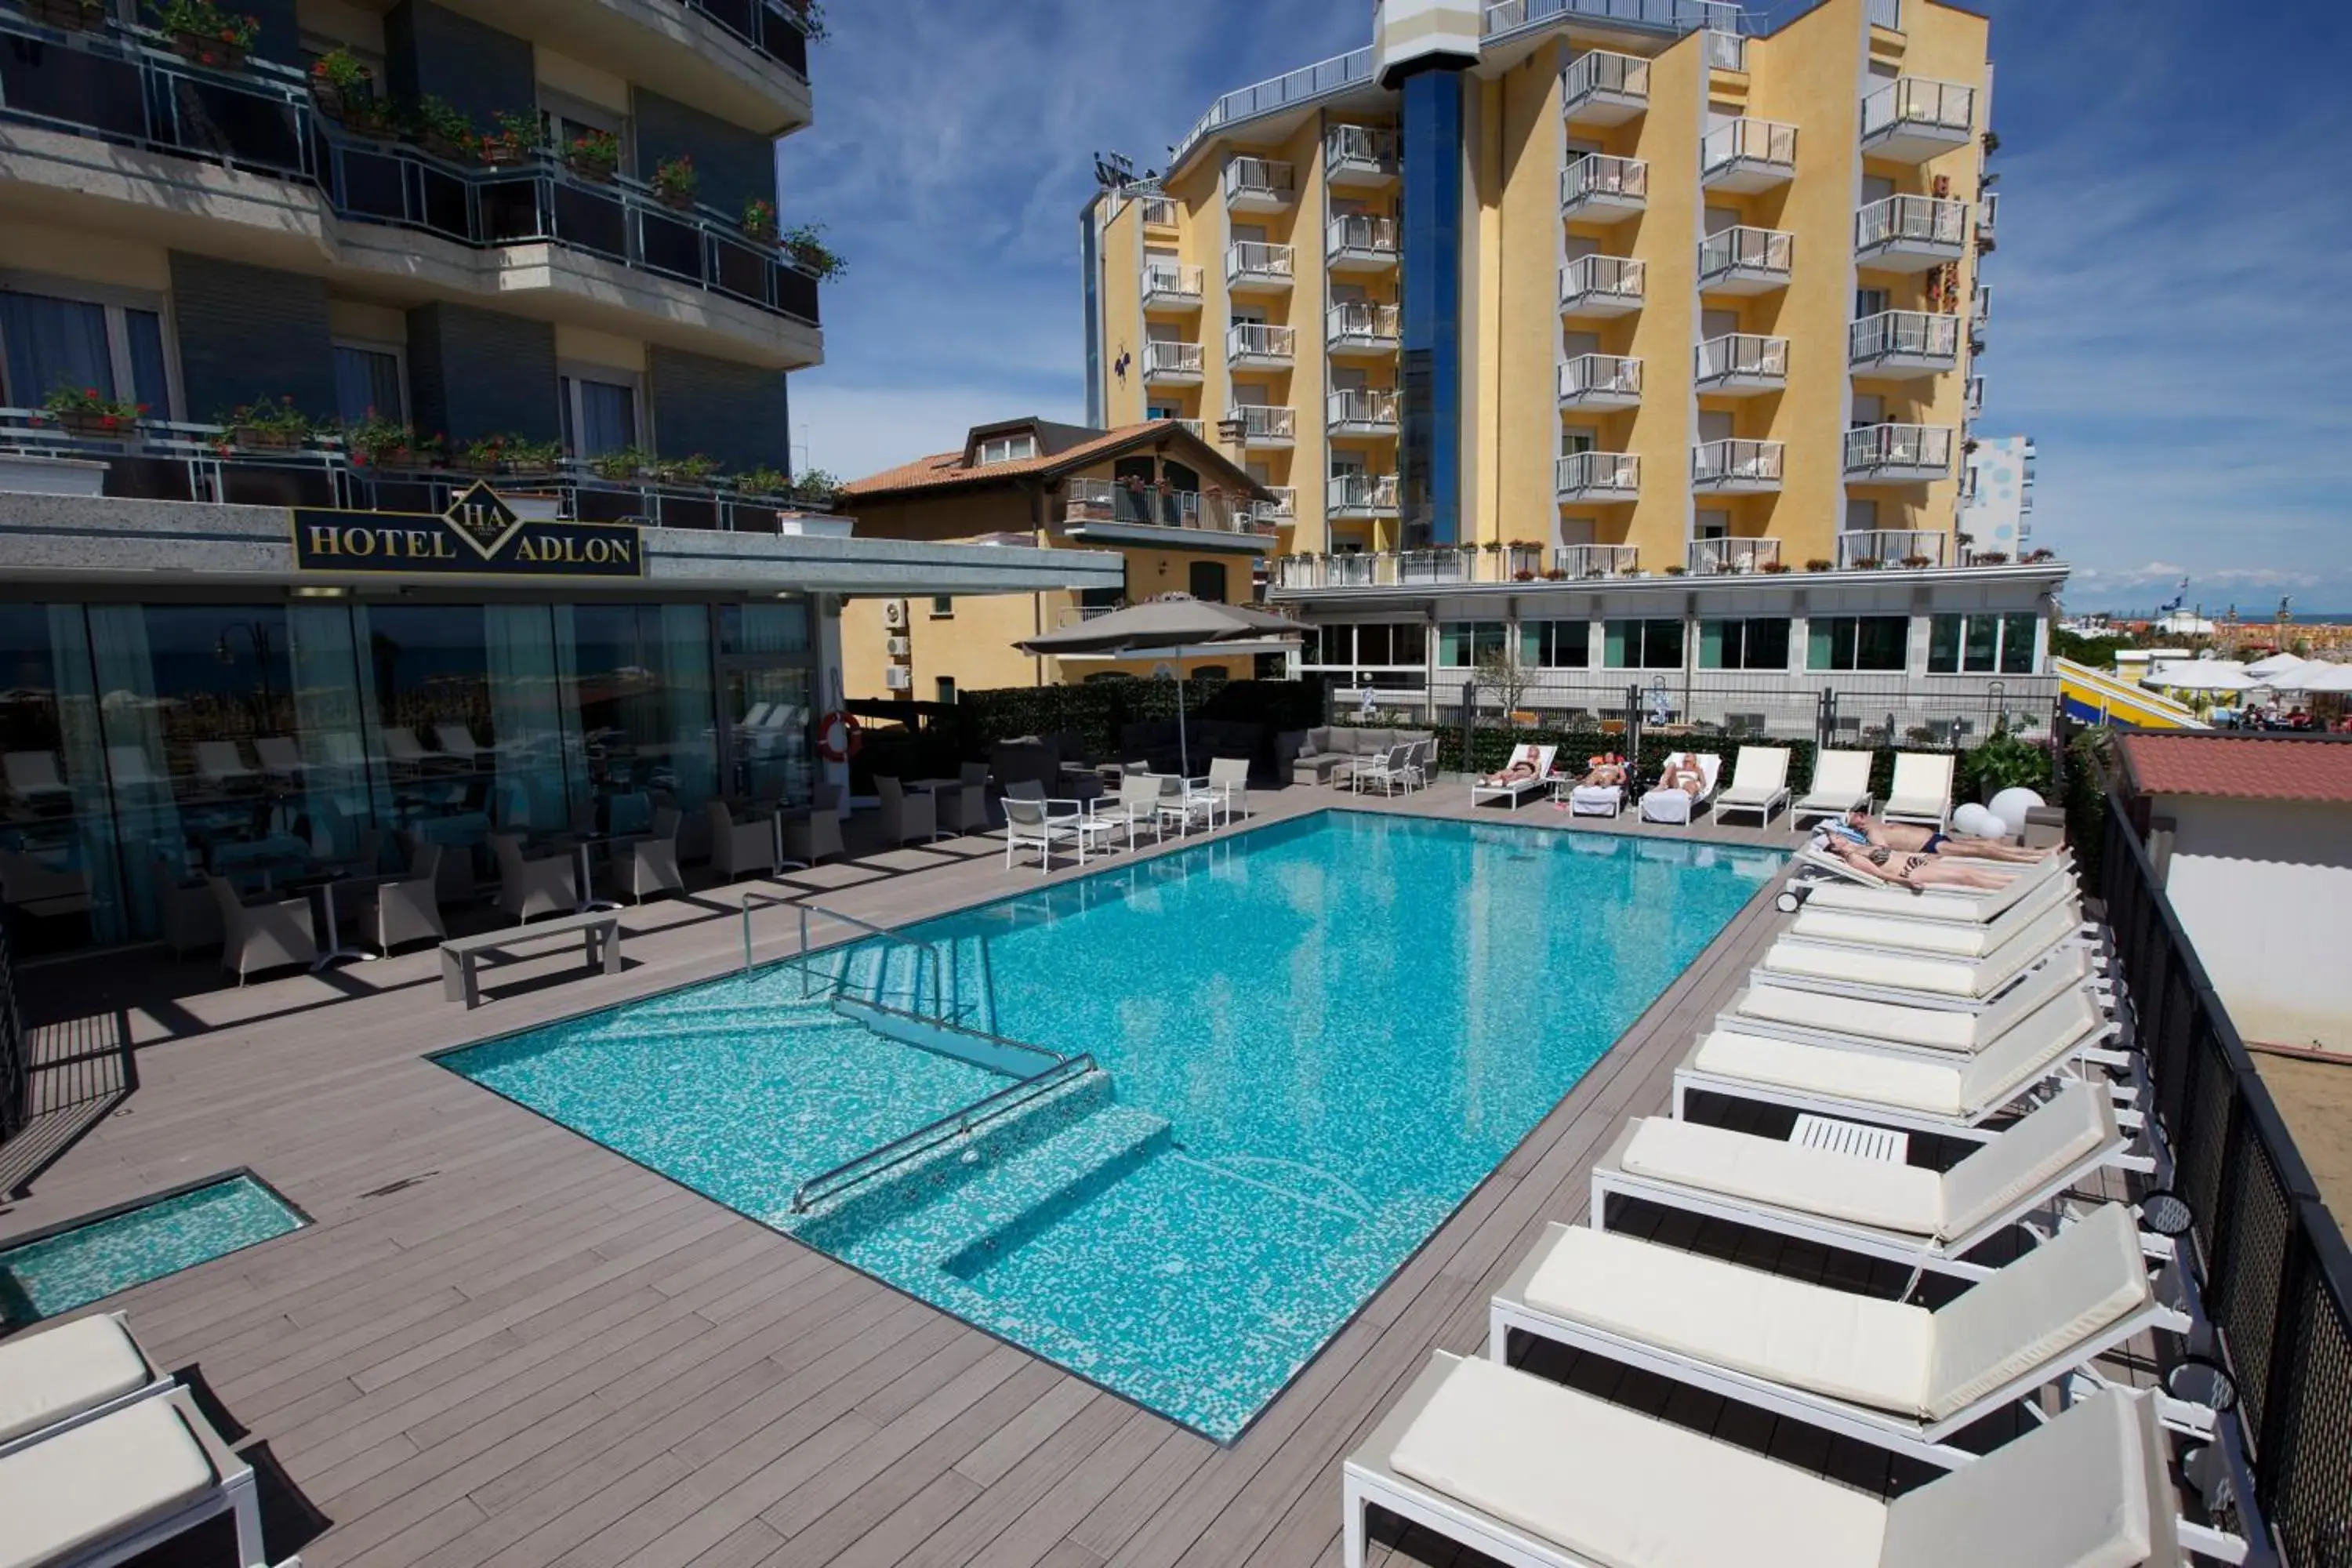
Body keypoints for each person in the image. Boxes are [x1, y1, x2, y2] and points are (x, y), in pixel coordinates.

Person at [1832, 808, 2051, 864]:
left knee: (1988, 842)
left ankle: (2036, 852)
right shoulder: (1873, 831)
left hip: (1936, 838)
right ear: (1856, 825)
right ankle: (2033, 859)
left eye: (1859, 812)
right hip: (1931, 848)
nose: (1862, 815)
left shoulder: (1877, 823)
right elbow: (1884, 852)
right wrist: (1923, 859)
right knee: (1984, 850)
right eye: (1856, 817)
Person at [1819, 833, 2015, 892]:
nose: (1839, 835)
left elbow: (1895, 853)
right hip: (1910, 873)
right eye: (1835, 837)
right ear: (1834, 847)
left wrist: (1923, 856)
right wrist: (1906, 883)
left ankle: (2018, 881)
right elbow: (1879, 874)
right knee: (1966, 877)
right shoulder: (1854, 858)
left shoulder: (1861, 847)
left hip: (1917, 862)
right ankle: (2011, 890)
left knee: (1968, 870)